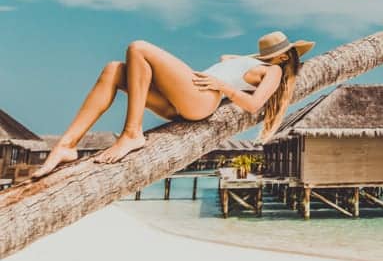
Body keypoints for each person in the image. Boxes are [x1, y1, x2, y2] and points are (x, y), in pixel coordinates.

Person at [31, 31, 314, 178]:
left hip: (201, 99)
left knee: (139, 47)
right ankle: (66, 145)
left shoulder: (275, 71)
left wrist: (223, 87)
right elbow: (228, 58)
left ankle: (132, 133)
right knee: (114, 70)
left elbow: (254, 105)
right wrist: (248, 61)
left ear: (282, 59)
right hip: (181, 100)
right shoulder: (260, 63)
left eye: (280, 54)